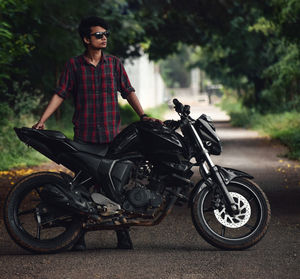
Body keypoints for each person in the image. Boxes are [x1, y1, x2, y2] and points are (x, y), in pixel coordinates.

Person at [32, 16, 159, 251]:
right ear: (86, 39)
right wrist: (43, 120)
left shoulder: (114, 64)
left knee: (114, 185)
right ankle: (78, 238)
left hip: (112, 136)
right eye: (98, 35)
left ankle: (123, 235)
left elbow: (128, 91)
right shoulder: (74, 65)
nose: (104, 39)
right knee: (82, 187)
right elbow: (60, 94)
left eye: (105, 35)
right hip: (84, 137)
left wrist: (142, 115)